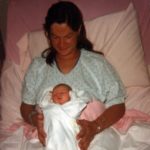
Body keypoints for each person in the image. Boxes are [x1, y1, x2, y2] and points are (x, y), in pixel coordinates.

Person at [20, 1, 126, 150]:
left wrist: (94, 126)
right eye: (55, 37)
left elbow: (118, 105)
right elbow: (26, 106)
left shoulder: (97, 64)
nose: (62, 44)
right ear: (47, 34)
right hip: (49, 137)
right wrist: (35, 120)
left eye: (68, 36)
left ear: (79, 30)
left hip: (91, 135)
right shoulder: (38, 67)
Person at [36, 83, 93, 150]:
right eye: (54, 94)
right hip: (51, 136)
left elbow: (83, 99)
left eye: (62, 93)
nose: (58, 95)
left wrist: (73, 95)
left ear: (70, 95)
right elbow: (42, 101)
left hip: (66, 135)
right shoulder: (49, 106)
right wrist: (48, 93)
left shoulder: (71, 106)